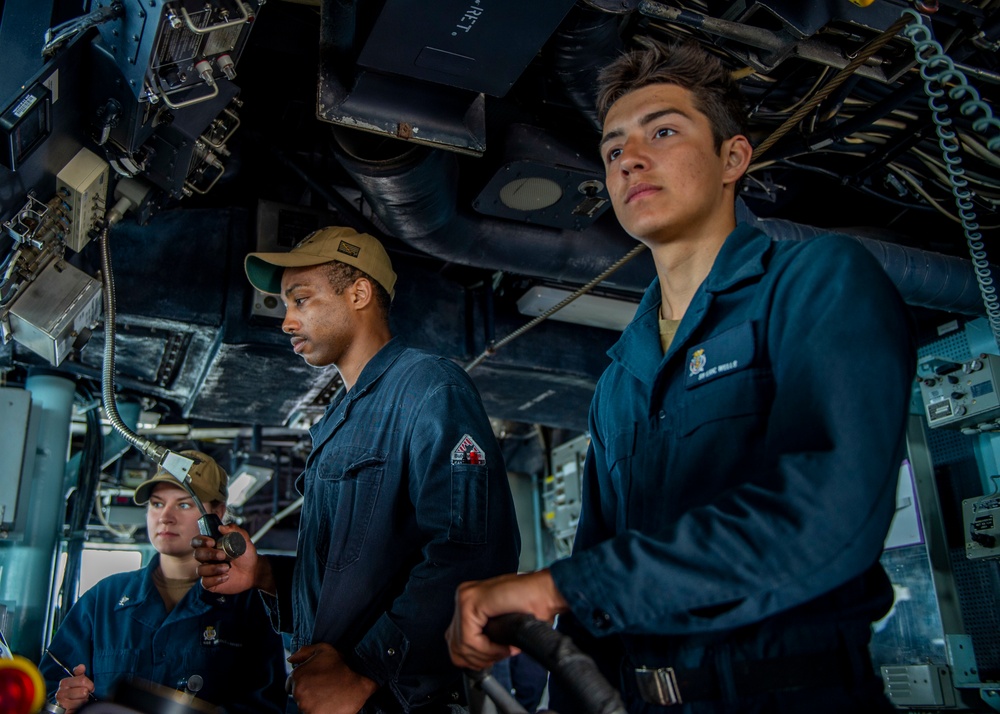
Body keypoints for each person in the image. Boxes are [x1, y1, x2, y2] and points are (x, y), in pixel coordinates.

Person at [446, 38, 916, 714]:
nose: (630, 157)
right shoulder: (621, 375)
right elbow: (596, 572)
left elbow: (827, 511)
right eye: (612, 151)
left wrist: (563, 586)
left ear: (734, 158)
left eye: (663, 130)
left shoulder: (818, 281)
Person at [194, 226, 521, 714]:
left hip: (398, 700)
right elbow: (354, 576)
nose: (286, 322)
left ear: (360, 292)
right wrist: (264, 574)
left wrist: (366, 670)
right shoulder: (339, 420)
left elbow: (475, 553)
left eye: (300, 300)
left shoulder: (430, 388)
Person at [40, 450, 288, 713]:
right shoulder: (104, 598)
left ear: (218, 514)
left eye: (183, 504)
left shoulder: (249, 605)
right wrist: (63, 699)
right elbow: (49, 686)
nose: (165, 517)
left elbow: (266, 705)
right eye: (157, 504)